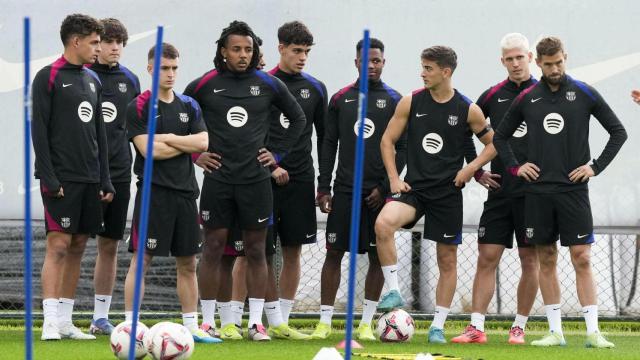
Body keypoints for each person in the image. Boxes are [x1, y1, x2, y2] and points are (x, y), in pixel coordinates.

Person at [493, 36, 627, 348]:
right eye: (548, 64)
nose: (555, 69)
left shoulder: (584, 93)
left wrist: (595, 166)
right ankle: (555, 332)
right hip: (537, 193)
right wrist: (516, 167)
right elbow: (500, 137)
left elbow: (618, 131)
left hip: (573, 192)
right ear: (538, 63)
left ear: (565, 57)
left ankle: (593, 332)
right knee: (547, 257)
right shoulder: (527, 98)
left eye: (559, 62)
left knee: (581, 257)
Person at [185, 20, 306, 341]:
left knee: (257, 250)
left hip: (256, 182)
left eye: (248, 49)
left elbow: (298, 118)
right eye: (236, 49)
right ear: (223, 51)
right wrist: (196, 156)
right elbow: (181, 118)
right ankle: (209, 322)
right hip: (218, 181)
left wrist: (277, 155)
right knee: (212, 248)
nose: (242, 55)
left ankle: (256, 324)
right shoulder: (204, 85)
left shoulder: (268, 84)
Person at [374, 46, 496, 343]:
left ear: (446, 71)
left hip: (447, 194)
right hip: (414, 190)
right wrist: (393, 179)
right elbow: (387, 141)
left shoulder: (468, 109)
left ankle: (437, 327)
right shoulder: (410, 101)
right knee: (383, 223)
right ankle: (393, 291)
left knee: (447, 260)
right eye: (422, 67)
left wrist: (472, 170)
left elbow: (495, 144)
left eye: (428, 68)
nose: (422, 73)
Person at [122, 43, 219, 344]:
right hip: (154, 194)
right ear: (151, 68)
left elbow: (203, 142)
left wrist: (170, 138)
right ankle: (131, 328)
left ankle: (191, 327)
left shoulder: (189, 104)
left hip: (186, 194)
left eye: (175, 67)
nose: (170, 73)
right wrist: (182, 142)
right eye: (164, 68)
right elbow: (149, 150)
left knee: (188, 262)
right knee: (143, 259)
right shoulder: (138, 106)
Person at [311, 38, 405, 341]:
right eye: (366, 61)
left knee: (377, 258)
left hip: (378, 194)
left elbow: (401, 148)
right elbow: (328, 145)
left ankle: (366, 323)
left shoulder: (394, 99)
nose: (372, 66)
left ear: (383, 62)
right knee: (334, 252)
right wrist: (323, 187)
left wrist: (383, 186)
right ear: (356, 63)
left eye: (377, 60)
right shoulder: (341, 99)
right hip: (345, 190)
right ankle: (324, 322)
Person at [452, 33, 539, 345]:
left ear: (530, 57)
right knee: (486, 257)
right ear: (502, 61)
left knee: (531, 260)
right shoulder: (493, 95)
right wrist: (477, 171)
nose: (515, 63)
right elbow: (466, 129)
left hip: (535, 195)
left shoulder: (545, 93)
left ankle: (519, 328)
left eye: (520, 57)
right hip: (500, 192)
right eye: (509, 59)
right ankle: (476, 328)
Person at [32, 14, 113, 341]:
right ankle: (50, 320)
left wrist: (104, 178)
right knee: (59, 244)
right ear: (75, 41)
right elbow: (39, 129)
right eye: (94, 42)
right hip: (60, 178)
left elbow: (100, 134)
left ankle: (66, 320)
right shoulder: (48, 77)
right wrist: (49, 177)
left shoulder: (93, 80)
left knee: (79, 244)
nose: (99, 48)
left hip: (90, 177)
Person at [86, 18, 140, 335]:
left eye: (120, 41)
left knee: (110, 246)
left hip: (119, 175)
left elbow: (136, 129)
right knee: (72, 244)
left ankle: (99, 318)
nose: (115, 47)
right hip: (84, 175)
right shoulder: (81, 77)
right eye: (109, 41)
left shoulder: (130, 80)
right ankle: (59, 317)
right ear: (96, 43)